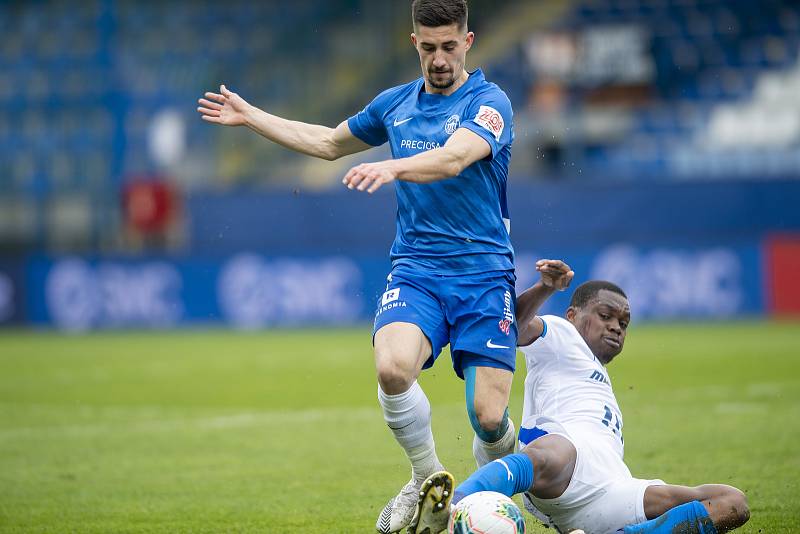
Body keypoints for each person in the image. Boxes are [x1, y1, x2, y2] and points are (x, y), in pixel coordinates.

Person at [197, 1, 519, 532]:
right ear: (414, 43)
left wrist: (392, 165)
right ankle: (427, 478)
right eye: (428, 47)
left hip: (484, 274)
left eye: (448, 46)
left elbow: (456, 158)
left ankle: (508, 490)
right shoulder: (395, 104)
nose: (439, 58)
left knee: (488, 418)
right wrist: (251, 116)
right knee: (392, 368)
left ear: (468, 42)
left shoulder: (490, 102)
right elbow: (327, 143)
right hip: (416, 269)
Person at [410, 259, 751, 534]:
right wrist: (545, 288)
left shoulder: (602, 382)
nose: (616, 326)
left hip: (612, 492)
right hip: (559, 469)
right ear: (573, 316)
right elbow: (510, 326)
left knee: (731, 503)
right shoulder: (562, 336)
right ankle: (452, 505)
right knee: (556, 449)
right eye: (606, 316)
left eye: (624, 322)